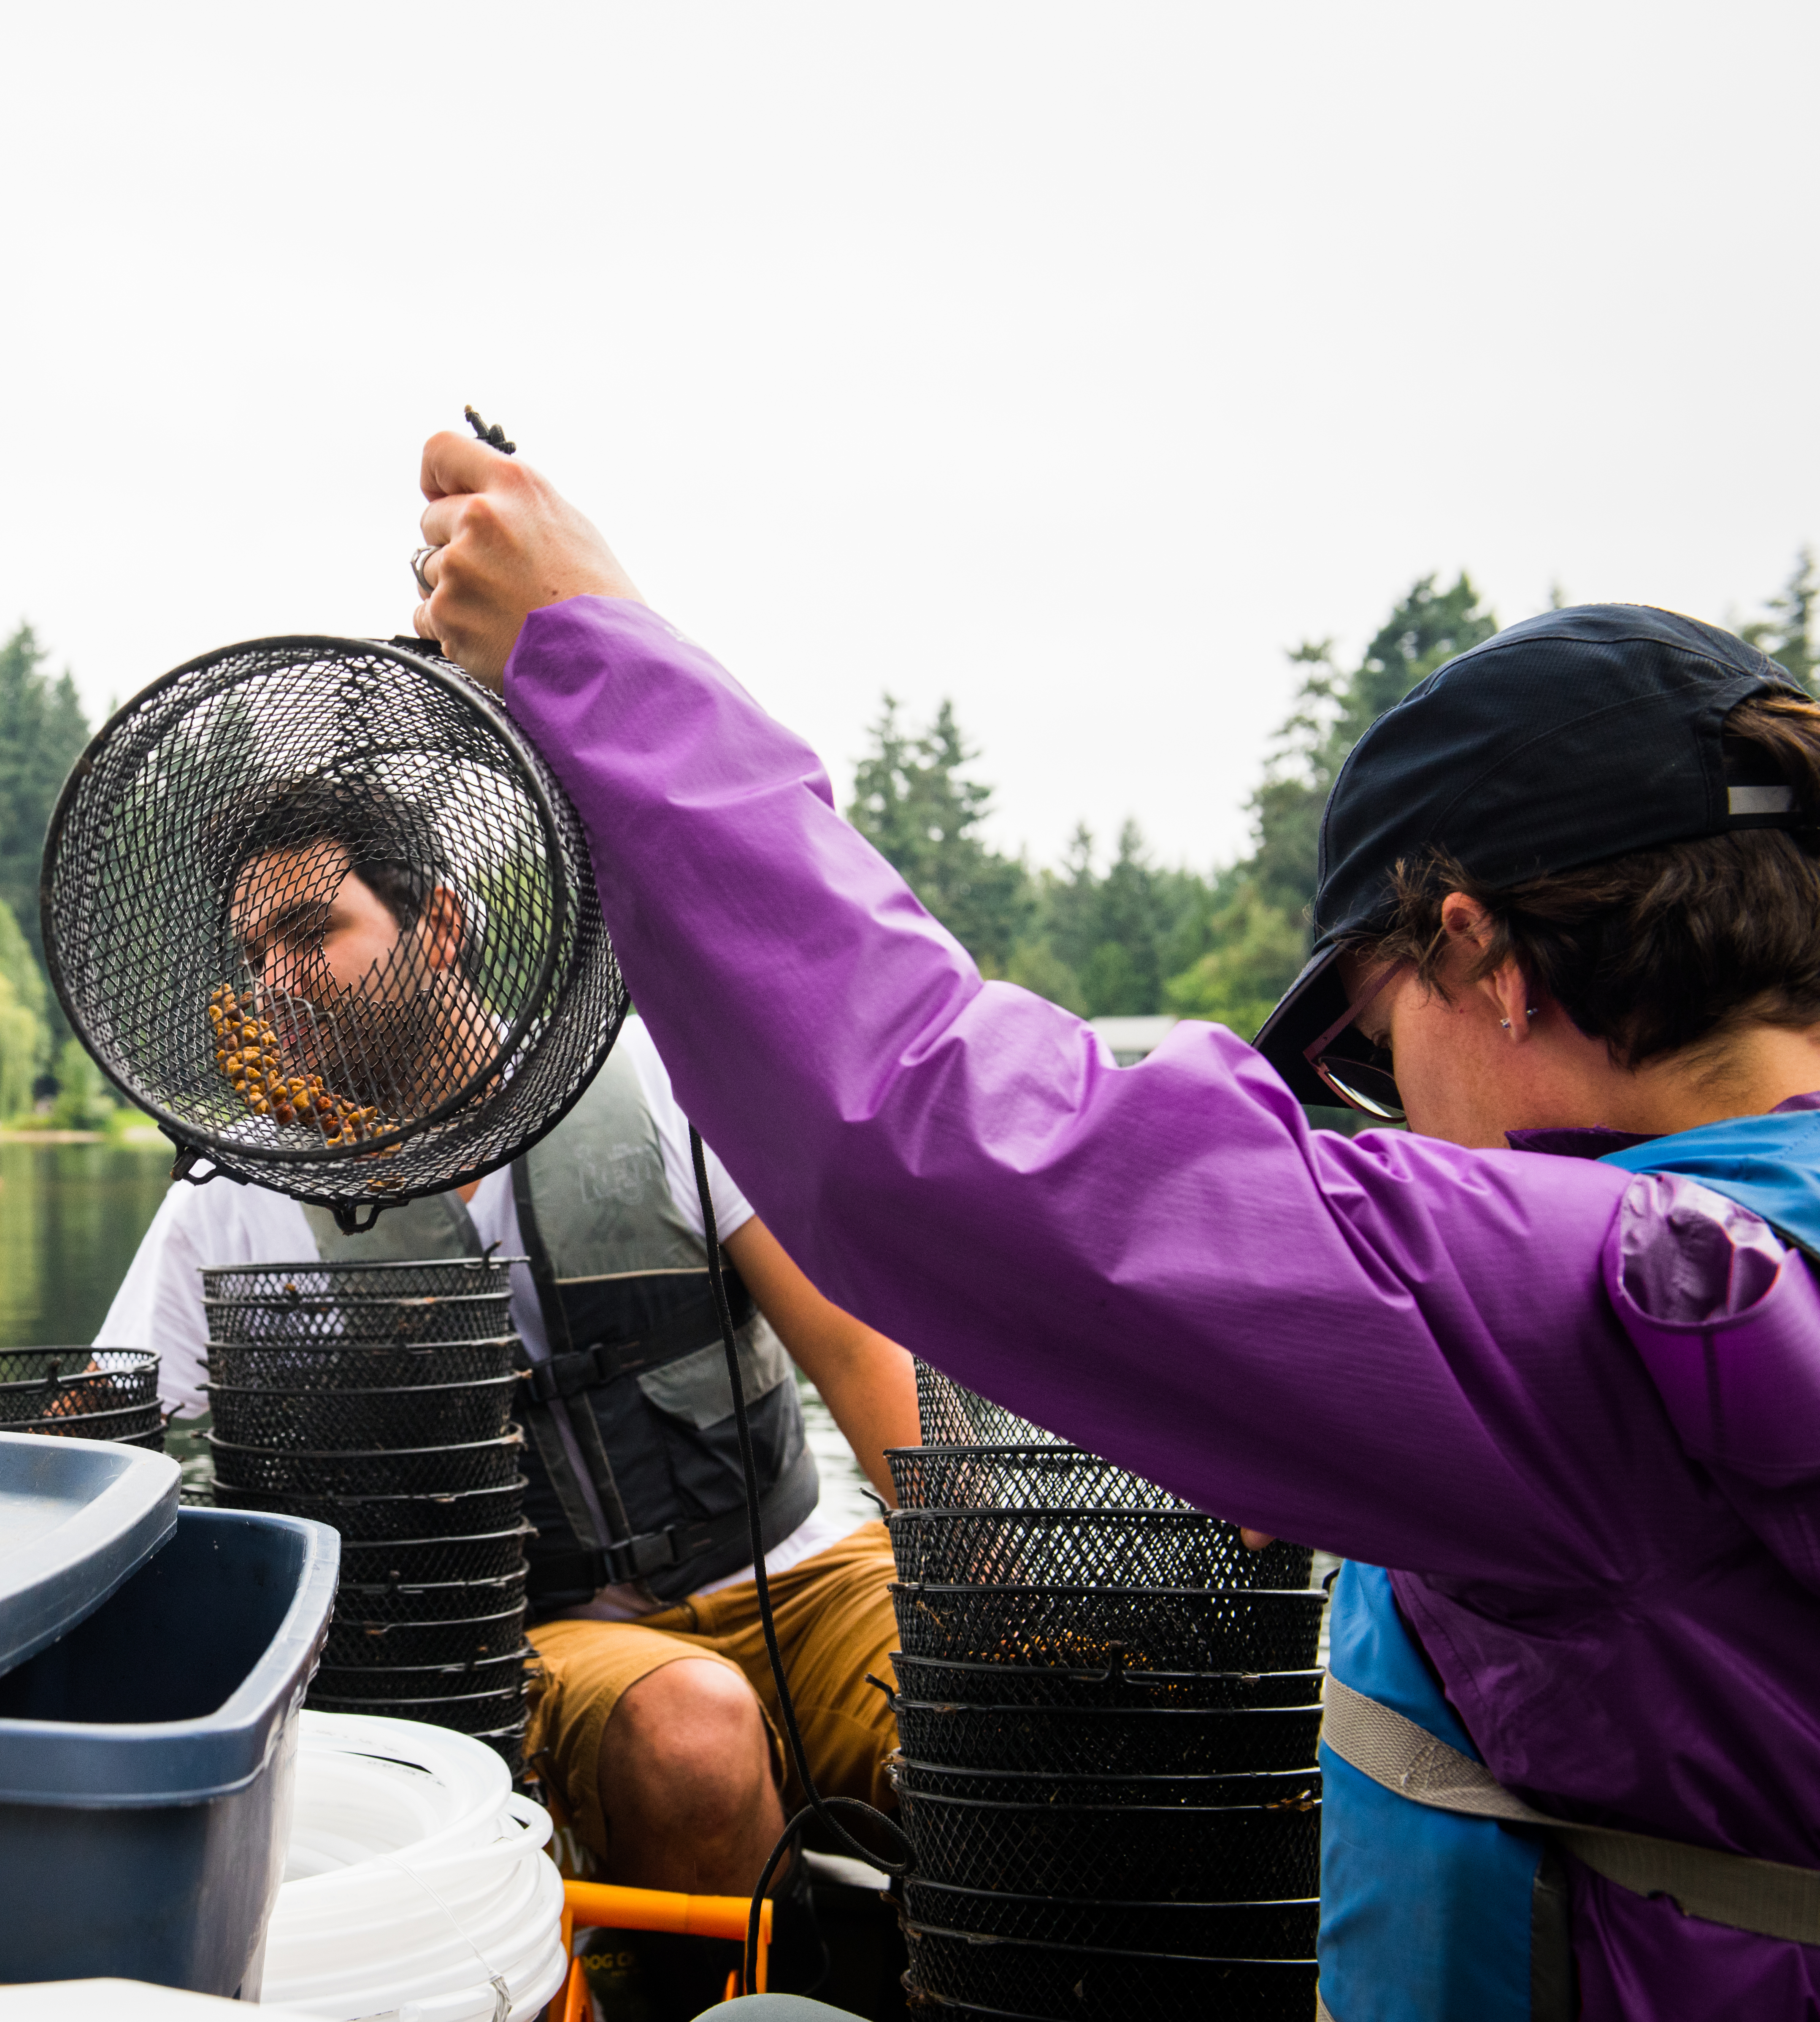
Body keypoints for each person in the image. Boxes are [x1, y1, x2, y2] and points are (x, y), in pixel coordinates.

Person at [399, 430, 1820, 2019]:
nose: (1389, 1106)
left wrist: (582, 644)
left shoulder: (1629, 1298)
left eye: (1361, 1043)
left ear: (1480, 953)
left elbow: (923, 1136)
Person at [93, 770, 923, 1918]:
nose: (274, 979)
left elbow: (851, 1350)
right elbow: (110, 1433)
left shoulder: (664, 1080)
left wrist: (983, 1583)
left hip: (802, 1574)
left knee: (1012, 1703)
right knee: (692, 1729)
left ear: (437, 926)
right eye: (254, 951)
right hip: (532, 1643)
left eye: (310, 932)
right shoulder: (239, 1193)